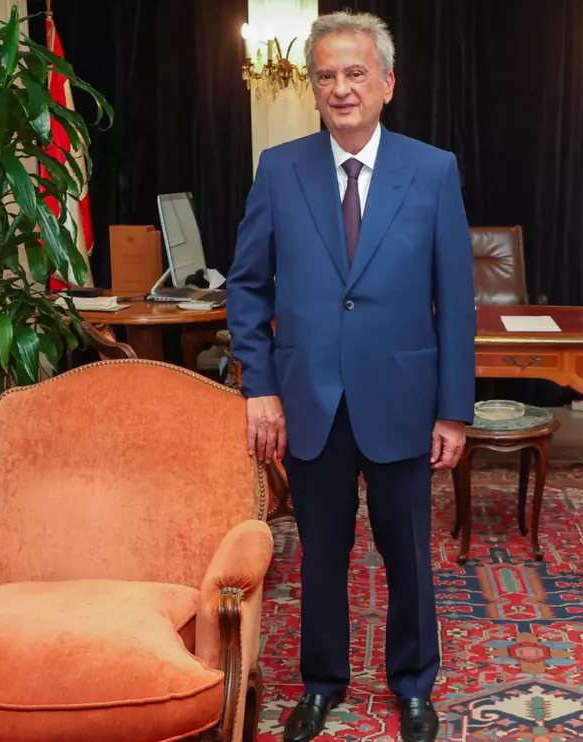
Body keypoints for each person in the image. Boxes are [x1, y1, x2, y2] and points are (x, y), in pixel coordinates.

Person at [225, 10, 475, 742]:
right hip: (309, 404)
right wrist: (259, 386)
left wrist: (453, 410)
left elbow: (455, 302)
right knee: (321, 559)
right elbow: (247, 287)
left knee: (409, 559)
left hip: (403, 399)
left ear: (387, 83)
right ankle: (322, 685)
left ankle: (413, 686)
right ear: (312, 88)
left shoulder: (433, 171)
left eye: (355, 73)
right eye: (326, 75)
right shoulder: (280, 168)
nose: (340, 88)